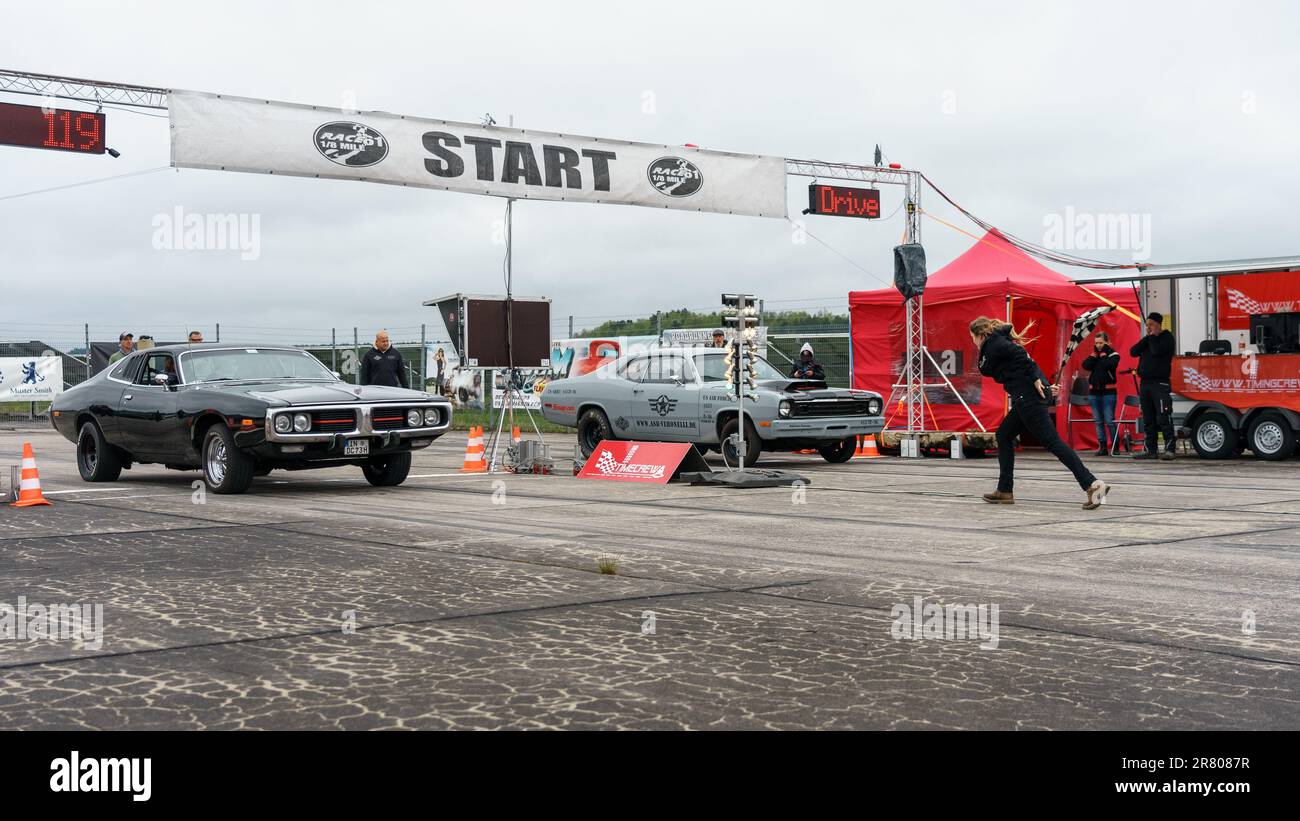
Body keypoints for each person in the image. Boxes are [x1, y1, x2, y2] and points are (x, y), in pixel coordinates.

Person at [971, 316, 1110, 509]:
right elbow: (1024, 361)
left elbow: (1020, 356)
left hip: (1026, 398)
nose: (974, 342)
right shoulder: (1000, 342)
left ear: (980, 334)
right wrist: (1042, 383)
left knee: (1052, 442)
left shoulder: (993, 343)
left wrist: (1037, 380)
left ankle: (1092, 484)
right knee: (1004, 435)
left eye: (973, 338)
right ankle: (1004, 490)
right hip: (1025, 397)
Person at [1129, 312, 1176, 460]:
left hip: (1160, 383)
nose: (1148, 327)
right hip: (1145, 384)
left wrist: (1153, 337)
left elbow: (1156, 351)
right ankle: (1151, 449)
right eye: (1147, 325)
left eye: (1151, 324)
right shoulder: (1148, 339)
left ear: (1158, 324)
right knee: (1148, 418)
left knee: (1163, 416)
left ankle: (1169, 449)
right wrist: (1147, 338)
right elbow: (1133, 352)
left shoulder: (1167, 338)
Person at [1081, 331, 1121, 456]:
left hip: (1108, 393)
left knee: (1109, 420)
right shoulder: (1095, 355)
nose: (1098, 345)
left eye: (1101, 343)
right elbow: (1086, 366)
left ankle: (1115, 447)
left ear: (1107, 342)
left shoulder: (1114, 354)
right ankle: (1102, 447)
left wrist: (1104, 354)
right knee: (1098, 421)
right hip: (1094, 393)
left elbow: (1107, 365)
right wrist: (1094, 355)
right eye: (1096, 343)